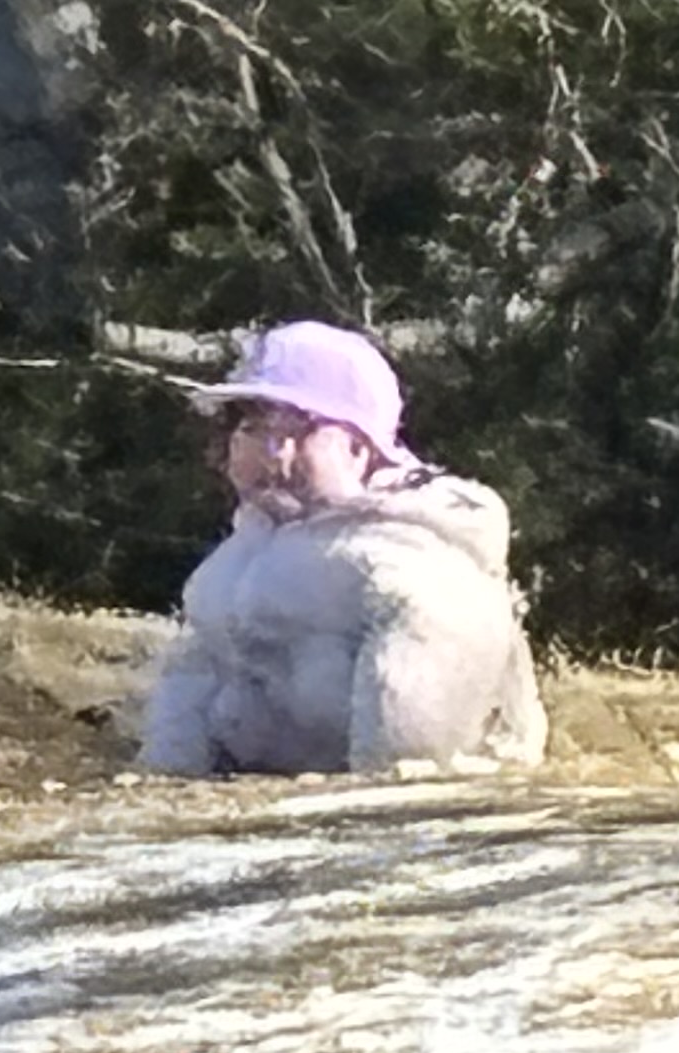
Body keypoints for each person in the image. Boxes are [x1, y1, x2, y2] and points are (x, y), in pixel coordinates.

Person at [137, 321, 547, 776]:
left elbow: (409, 765)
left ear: (359, 448)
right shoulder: (241, 553)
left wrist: (356, 804)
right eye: (253, 428)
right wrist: (162, 781)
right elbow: (192, 679)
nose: (274, 454)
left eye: (297, 430)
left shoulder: (419, 565)